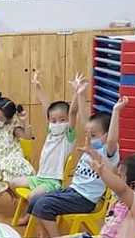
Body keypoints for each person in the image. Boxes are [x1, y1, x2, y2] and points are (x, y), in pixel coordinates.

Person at [26, 95, 127, 238]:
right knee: (35, 200)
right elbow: (86, 121)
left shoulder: (108, 151)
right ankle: (44, 236)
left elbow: (112, 138)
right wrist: (81, 93)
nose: (89, 138)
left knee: (43, 205)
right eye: (88, 135)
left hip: (85, 199)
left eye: (93, 135)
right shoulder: (89, 147)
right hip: (73, 191)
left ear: (105, 136)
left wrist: (116, 111)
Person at [9, 72, 86, 225]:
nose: (58, 123)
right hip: (39, 177)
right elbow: (47, 108)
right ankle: (28, 208)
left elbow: (73, 112)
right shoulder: (51, 131)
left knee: (33, 196)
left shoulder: (68, 136)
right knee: (12, 183)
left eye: (62, 120)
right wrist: (38, 87)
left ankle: (29, 217)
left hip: (52, 181)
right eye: (54, 121)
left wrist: (77, 92)